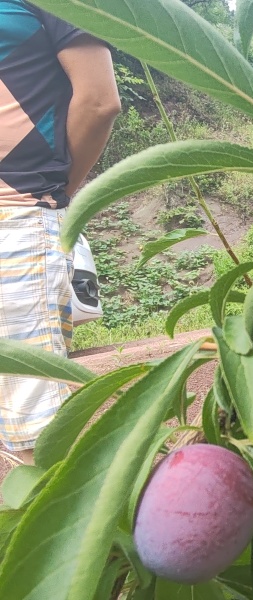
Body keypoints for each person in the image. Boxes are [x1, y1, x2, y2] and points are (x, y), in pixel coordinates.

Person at [0, 0, 121, 465]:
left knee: (33, 435)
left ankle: (76, 536)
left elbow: (98, 100)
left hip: (14, 215)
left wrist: (54, 191)